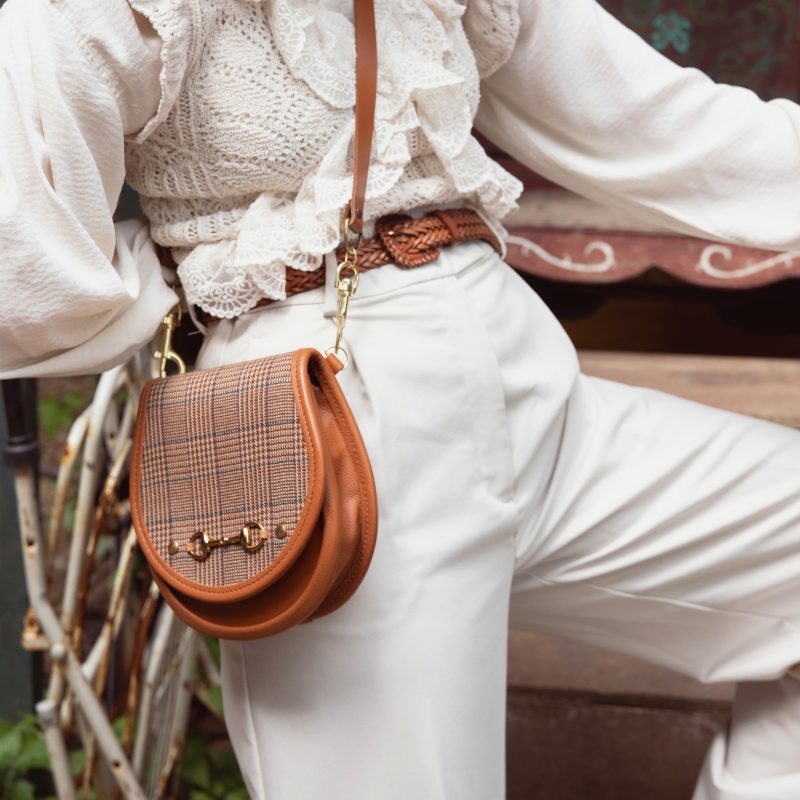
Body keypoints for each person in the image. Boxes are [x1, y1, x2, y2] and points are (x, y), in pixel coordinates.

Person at [3, 0, 800, 797]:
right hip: (331, 423)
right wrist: (199, 267)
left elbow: (651, 121)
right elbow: (28, 272)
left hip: (529, 381)